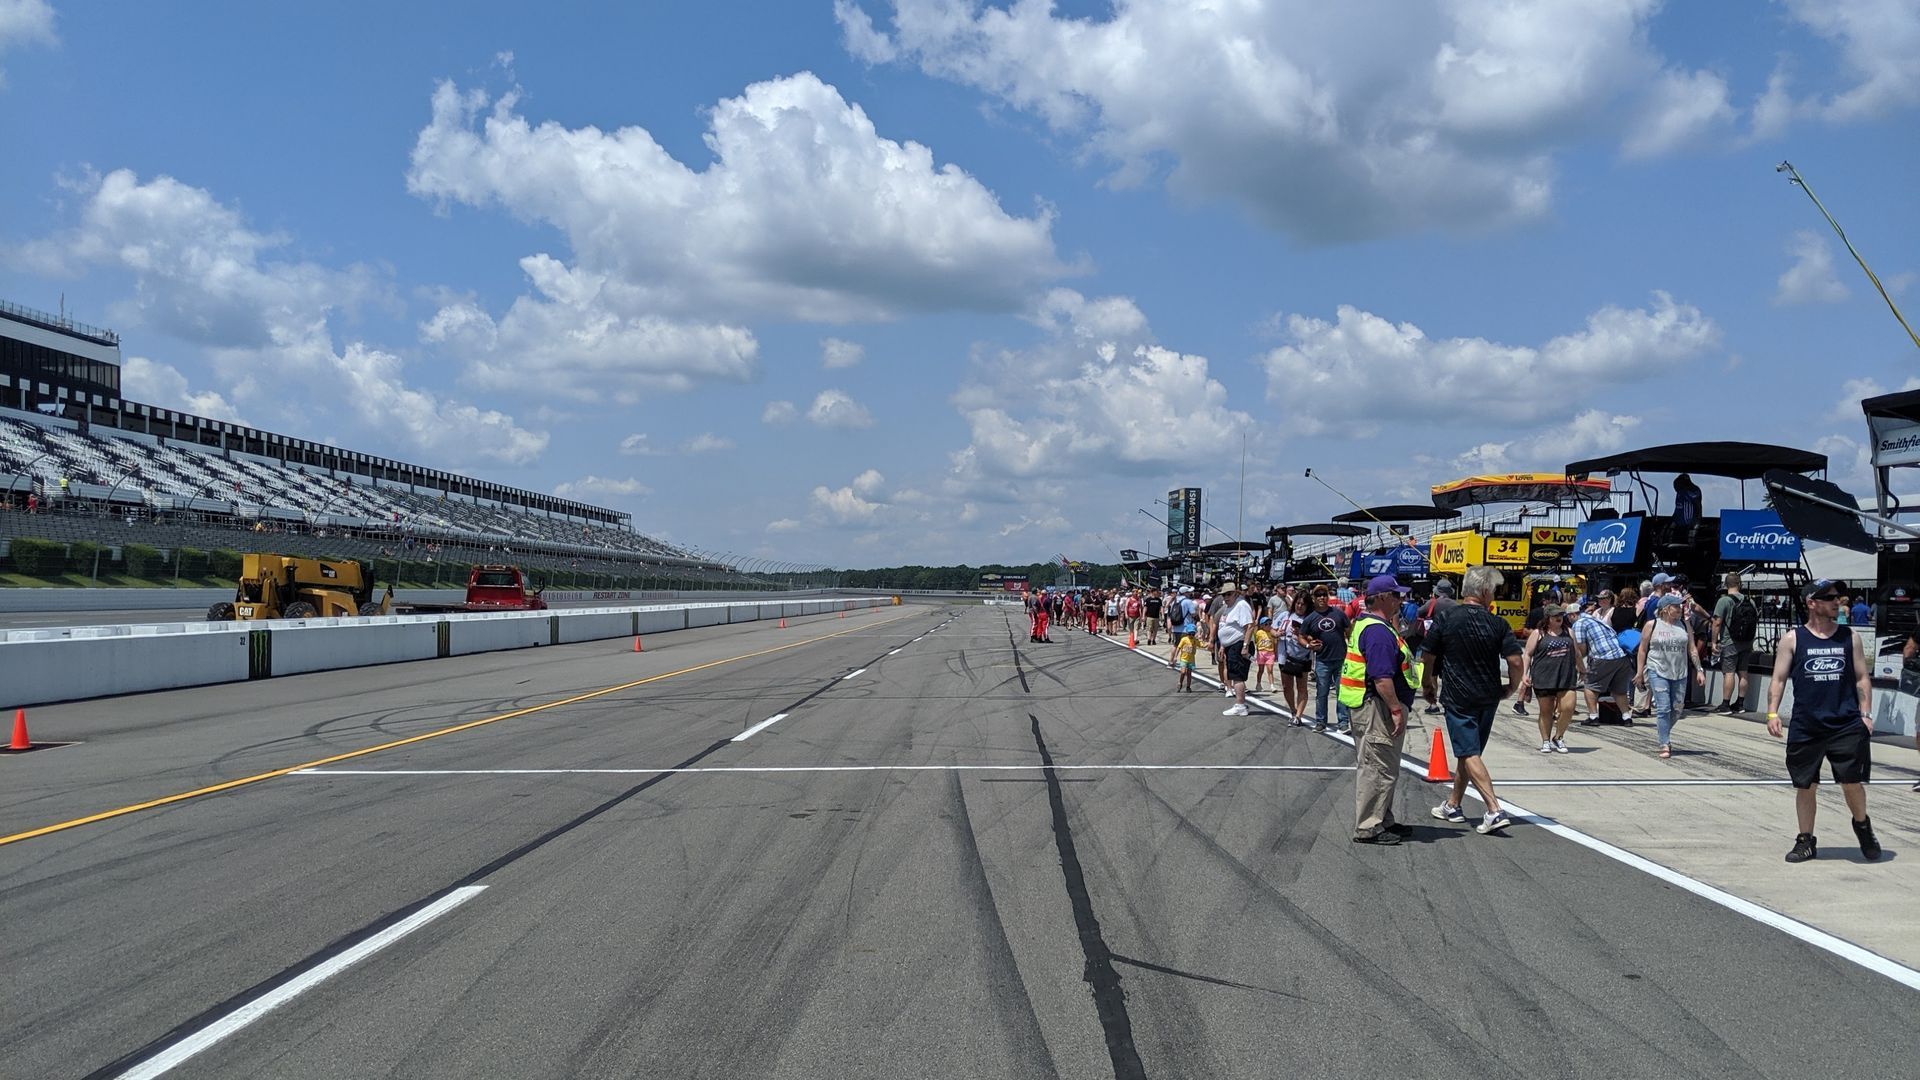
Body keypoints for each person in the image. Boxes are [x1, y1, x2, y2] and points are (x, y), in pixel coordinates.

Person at [1765, 579, 1880, 863]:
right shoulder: (1793, 638)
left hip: (1846, 723)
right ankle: (1805, 841)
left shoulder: (1849, 636)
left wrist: (1865, 714)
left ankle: (1863, 826)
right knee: (1806, 785)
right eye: (1829, 597)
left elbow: (1862, 677)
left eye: (1837, 597)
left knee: (1851, 781)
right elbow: (1778, 679)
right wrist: (1772, 712)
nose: (1836, 601)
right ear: (1811, 603)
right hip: (1807, 724)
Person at [1420, 565, 1522, 834]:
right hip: (1489, 695)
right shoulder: (1498, 623)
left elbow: (1427, 655)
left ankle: (1494, 808)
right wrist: (1512, 686)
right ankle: (1453, 804)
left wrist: (1427, 683)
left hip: (1458, 694)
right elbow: (1515, 660)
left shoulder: (1447, 618)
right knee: (1471, 751)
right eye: (1495, 591)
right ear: (1486, 591)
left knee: (1468, 752)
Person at [1347, 575, 1418, 845]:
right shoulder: (1377, 631)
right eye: (1397, 595)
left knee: (1384, 765)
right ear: (1384, 598)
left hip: (1373, 705)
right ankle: (1369, 826)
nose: (1401, 600)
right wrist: (1396, 709)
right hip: (1377, 707)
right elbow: (1381, 677)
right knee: (1377, 767)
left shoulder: (1376, 625)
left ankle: (1383, 818)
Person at [1636, 594, 1701, 759]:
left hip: (1680, 672)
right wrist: (1639, 672)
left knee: (1677, 709)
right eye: (1676, 606)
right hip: (1657, 669)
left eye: (1680, 606)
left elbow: (1692, 648)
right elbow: (1642, 650)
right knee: (1663, 707)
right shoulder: (1652, 625)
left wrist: (1699, 669)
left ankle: (1663, 729)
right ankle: (1664, 743)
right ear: (1665, 608)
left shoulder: (1685, 625)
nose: (1680, 609)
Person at [1521, 604, 1583, 753]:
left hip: (1566, 676)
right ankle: (1546, 741)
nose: (1559, 618)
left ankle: (1559, 737)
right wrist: (1524, 674)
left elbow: (1577, 653)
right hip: (1544, 677)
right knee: (1546, 711)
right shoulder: (1538, 633)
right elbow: (1528, 654)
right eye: (1555, 615)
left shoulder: (1569, 632)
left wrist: (1583, 670)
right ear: (1548, 617)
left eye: (1561, 615)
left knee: (1569, 708)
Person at [1573, 598, 1633, 726]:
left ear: (1573, 615)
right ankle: (1626, 717)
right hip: (1622, 657)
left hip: (1603, 657)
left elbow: (1581, 648)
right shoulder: (1597, 620)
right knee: (1619, 690)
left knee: (1590, 686)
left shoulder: (1579, 623)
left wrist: (1579, 665)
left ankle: (1593, 717)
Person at [1300, 585, 1352, 733]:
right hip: (1322, 660)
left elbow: (1349, 632)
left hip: (1341, 659)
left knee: (1342, 693)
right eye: (1318, 595)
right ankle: (1321, 722)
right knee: (1322, 693)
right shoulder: (1310, 618)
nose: (1322, 597)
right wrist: (1309, 645)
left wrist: (1352, 650)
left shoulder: (1338, 614)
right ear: (1314, 598)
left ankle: (1343, 723)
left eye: (1324, 594)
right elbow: (1301, 636)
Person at [1712, 573, 1759, 714]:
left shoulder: (1724, 601)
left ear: (1726, 585)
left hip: (1730, 641)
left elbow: (1717, 623)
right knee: (1743, 672)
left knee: (1729, 673)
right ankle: (1740, 704)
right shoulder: (1750, 601)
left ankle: (1725, 704)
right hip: (1746, 642)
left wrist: (1714, 641)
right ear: (1740, 584)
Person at [1216, 582, 1255, 716]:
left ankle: (1240, 705)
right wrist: (1222, 645)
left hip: (1239, 644)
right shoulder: (1228, 607)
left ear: (1235, 594)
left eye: (1229, 594)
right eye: (1224, 595)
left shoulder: (1241, 605)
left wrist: (1245, 646)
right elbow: (1224, 626)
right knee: (1233, 674)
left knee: (1237, 676)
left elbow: (1249, 626)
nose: (1226, 597)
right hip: (1230, 645)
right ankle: (1240, 702)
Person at [1276, 591, 1314, 722]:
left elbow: (1314, 639)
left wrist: (1301, 634)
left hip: (1303, 657)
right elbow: (1272, 629)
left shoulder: (1310, 619)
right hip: (1284, 656)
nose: (1299, 606)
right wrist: (1276, 633)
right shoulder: (1285, 615)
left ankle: (1298, 715)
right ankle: (1293, 710)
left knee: (1301, 687)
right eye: (1298, 603)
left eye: (1303, 604)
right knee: (1287, 686)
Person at [1250, 616, 1277, 693]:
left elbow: (1275, 643)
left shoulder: (1272, 633)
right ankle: (1258, 683)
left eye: (1269, 624)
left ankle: (1272, 685)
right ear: (1261, 625)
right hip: (1261, 652)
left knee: (1270, 670)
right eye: (1266, 624)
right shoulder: (1259, 633)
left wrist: (1276, 652)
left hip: (1270, 652)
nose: (1268, 625)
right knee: (1261, 670)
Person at [1173, 626, 1199, 692]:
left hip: (1191, 660)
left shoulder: (1195, 640)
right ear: (1187, 633)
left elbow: (1201, 644)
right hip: (1184, 659)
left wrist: (1208, 644)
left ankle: (1188, 686)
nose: (1191, 635)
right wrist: (1175, 656)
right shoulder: (1184, 639)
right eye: (1190, 634)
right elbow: (1179, 647)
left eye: (1193, 634)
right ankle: (1180, 683)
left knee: (1189, 673)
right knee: (1183, 672)